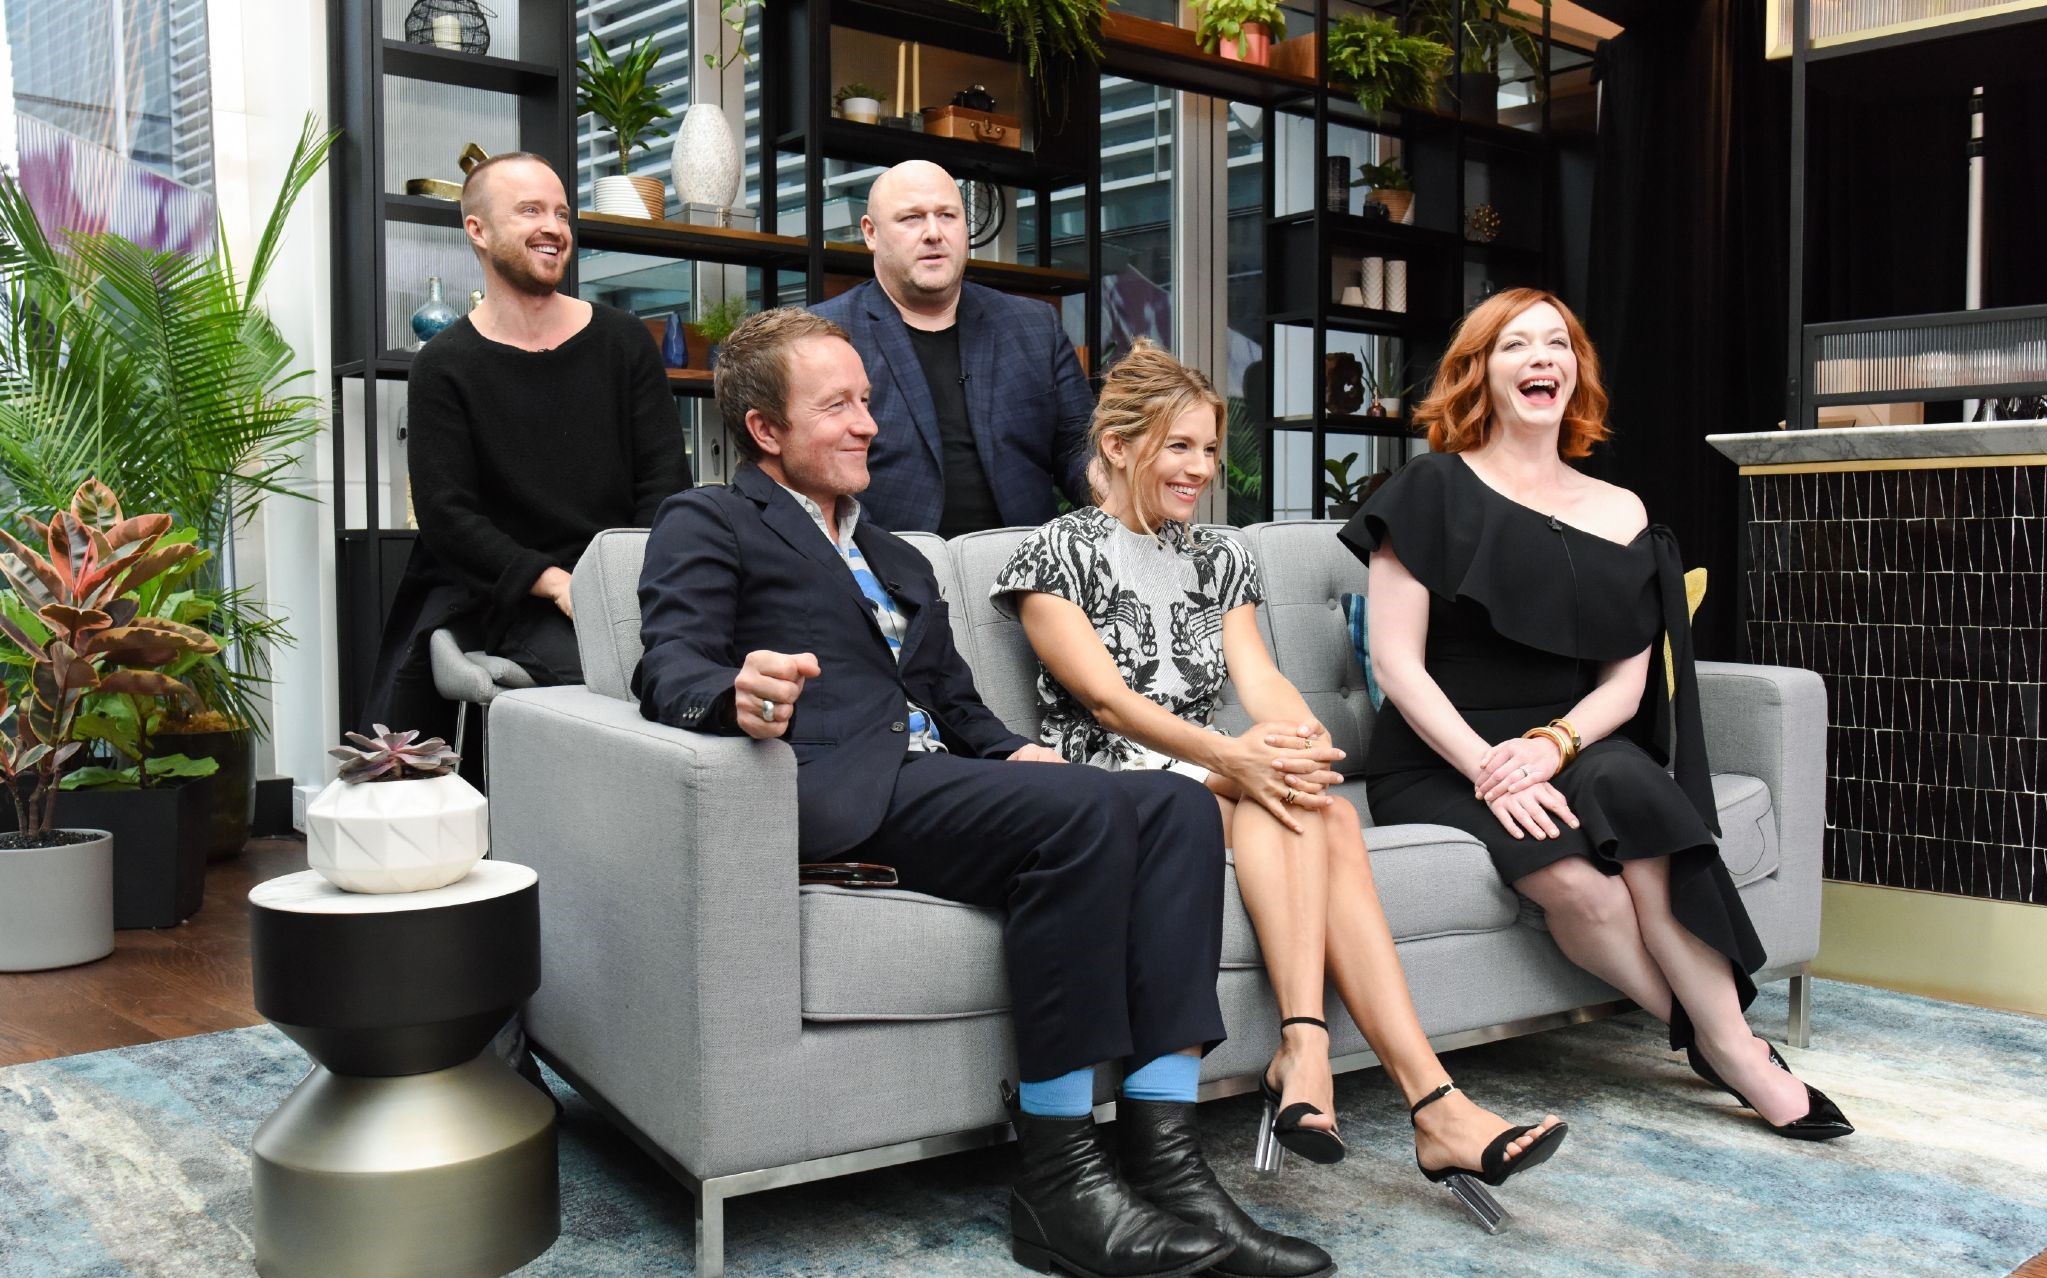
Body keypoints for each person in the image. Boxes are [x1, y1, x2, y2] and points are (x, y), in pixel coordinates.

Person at [634, 309, 1331, 1278]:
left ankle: (1168, 1164)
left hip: (942, 780)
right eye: (837, 407)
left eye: (867, 402)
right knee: (1092, 810)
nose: (868, 424)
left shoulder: (896, 554)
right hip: (844, 792)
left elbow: (953, 700)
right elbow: (667, 665)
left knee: (1173, 806)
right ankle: (1058, 1183)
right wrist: (735, 695)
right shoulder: (708, 521)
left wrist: (1015, 753)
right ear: (765, 429)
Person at [996, 339, 1567, 1228]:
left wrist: (1299, 739)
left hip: (1204, 772)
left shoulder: (1220, 556)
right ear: (1116, 445)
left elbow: (1257, 678)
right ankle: (1423, 1101)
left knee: (1316, 806)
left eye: (1209, 449)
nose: (1200, 469)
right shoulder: (1053, 554)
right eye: (1178, 447)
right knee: (1300, 805)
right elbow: (1105, 703)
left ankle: (1329, 1065)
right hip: (1104, 789)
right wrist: (1236, 759)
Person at [1343, 288, 1853, 1141]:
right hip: (1441, 758)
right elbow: (1397, 666)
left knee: (1632, 788)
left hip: (1569, 741)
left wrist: (1551, 746)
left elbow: (1626, 683)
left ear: (1574, 373)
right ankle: (1718, 1044)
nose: (1539, 358)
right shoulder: (1426, 489)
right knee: (1583, 890)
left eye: (1556, 344)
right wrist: (1489, 768)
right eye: (1514, 345)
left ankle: (1734, 1049)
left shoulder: (1623, 511)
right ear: (1479, 371)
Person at [365, 151, 690, 742]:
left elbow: (664, 482)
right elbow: (448, 517)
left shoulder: (622, 341)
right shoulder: (444, 365)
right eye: (530, 211)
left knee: (722, 672)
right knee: (619, 695)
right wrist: (559, 584)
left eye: (562, 213)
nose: (554, 227)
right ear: (478, 230)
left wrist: (632, 582)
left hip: (638, 584)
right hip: (522, 596)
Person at [809, 160, 1094, 535]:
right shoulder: (824, 337)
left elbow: (1079, 446)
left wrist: (1117, 485)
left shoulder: (1034, 325)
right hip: (884, 559)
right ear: (871, 233)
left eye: (947, 215)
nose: (933, 233)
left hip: (1027, 557)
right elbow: (805, 472)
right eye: (912, 218)